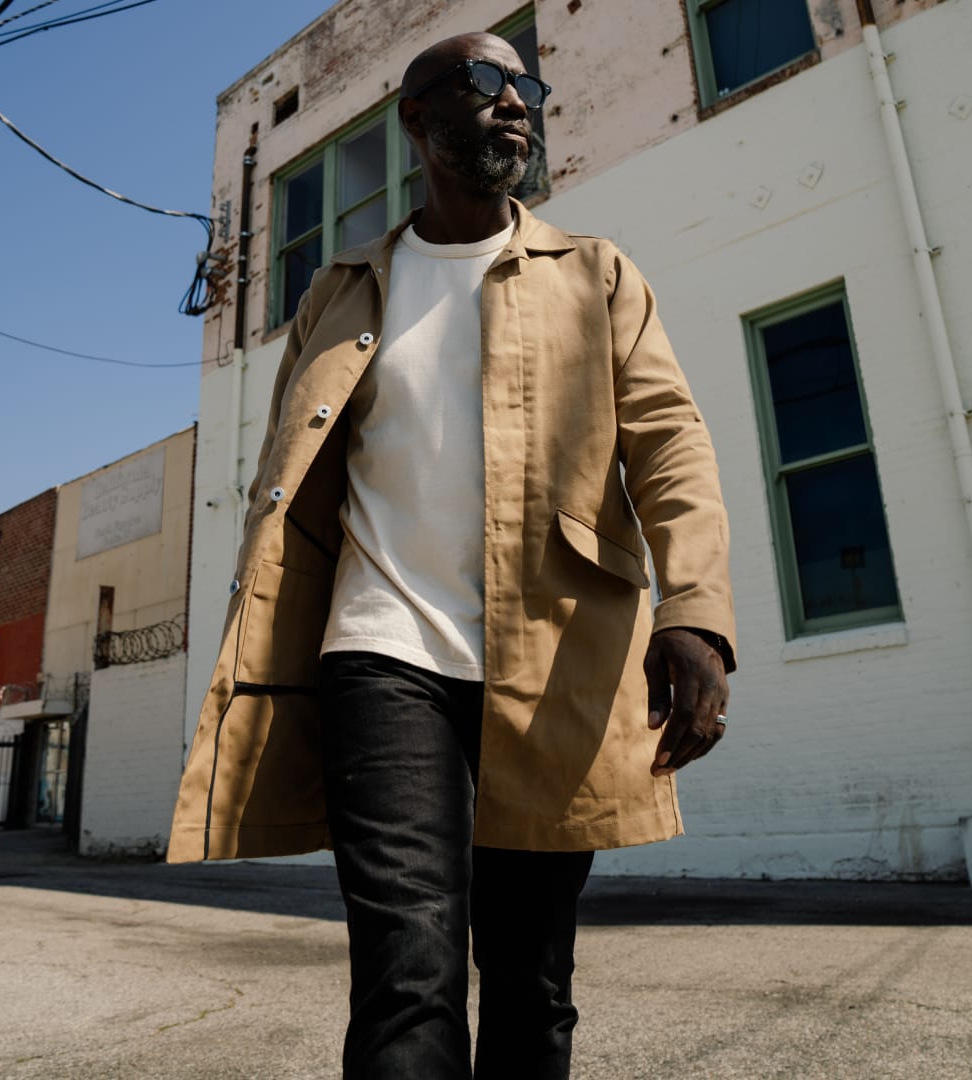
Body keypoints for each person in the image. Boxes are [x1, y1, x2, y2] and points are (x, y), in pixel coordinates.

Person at [168, 31, 737, 1080]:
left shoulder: (598, 276)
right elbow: (286, 483)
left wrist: (695, 610)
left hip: (557, 659)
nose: (514, 101)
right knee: (404, 973)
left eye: (528, 84)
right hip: (380, 653)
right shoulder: (339, 292)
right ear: (417, 121)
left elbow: (671, 449)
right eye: (483, 82)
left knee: (532, 979)